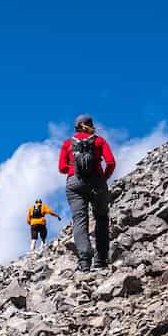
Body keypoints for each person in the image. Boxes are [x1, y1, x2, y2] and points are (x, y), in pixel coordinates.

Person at [58, 115, 116, 270]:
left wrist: (74, 167)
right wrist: (103, 177)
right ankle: (101, 261)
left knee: (79, 220)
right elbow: (110, 162)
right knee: (102, 218)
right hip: (97, 181)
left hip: (74, 183)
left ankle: (84, 262)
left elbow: (62, 167)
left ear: (76, 126)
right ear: (91, 125)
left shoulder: (67, 143)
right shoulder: (99, 141)